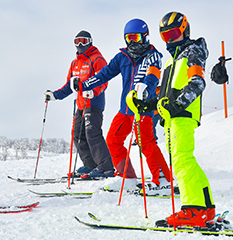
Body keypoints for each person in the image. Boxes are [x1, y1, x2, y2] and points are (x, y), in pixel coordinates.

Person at [133, 12, 216, 227]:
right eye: (165, 36)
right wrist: (146, 105)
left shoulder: (192, 51)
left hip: (182, 114)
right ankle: (206, 208)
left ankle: (193, 211)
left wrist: (177, 105)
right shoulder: (172, 61)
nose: (170, 40)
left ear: (185, 31)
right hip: (172, 117)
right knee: (186, 159)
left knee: (180, 160)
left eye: (174, 34)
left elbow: (197, 83)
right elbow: (165, 95)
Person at [73, 19, 172, 192]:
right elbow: (104, 74)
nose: (132, 42)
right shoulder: (123, 56)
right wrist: (83, 85)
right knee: (113, 140)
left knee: (146, 143)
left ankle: (163, 180)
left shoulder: (153, 56)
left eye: (135, 37)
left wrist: (145, 89)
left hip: (143, 108)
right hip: (125, 109)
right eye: (129, 38)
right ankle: (127, 177)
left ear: (145, 36)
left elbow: (152, 75)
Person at [44, 30, 114, 178]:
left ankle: (106, 167)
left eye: (83, 41)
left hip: (94, 103)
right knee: (77, 134)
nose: (80, 44)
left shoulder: (97, 59)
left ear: (90, 41)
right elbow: (70, 86)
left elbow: (104, 80)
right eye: (77, 41)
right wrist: (55, 95)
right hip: (81, 104)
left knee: (92, 133)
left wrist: (94, 91)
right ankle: (90, 165)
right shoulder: (75, 63)